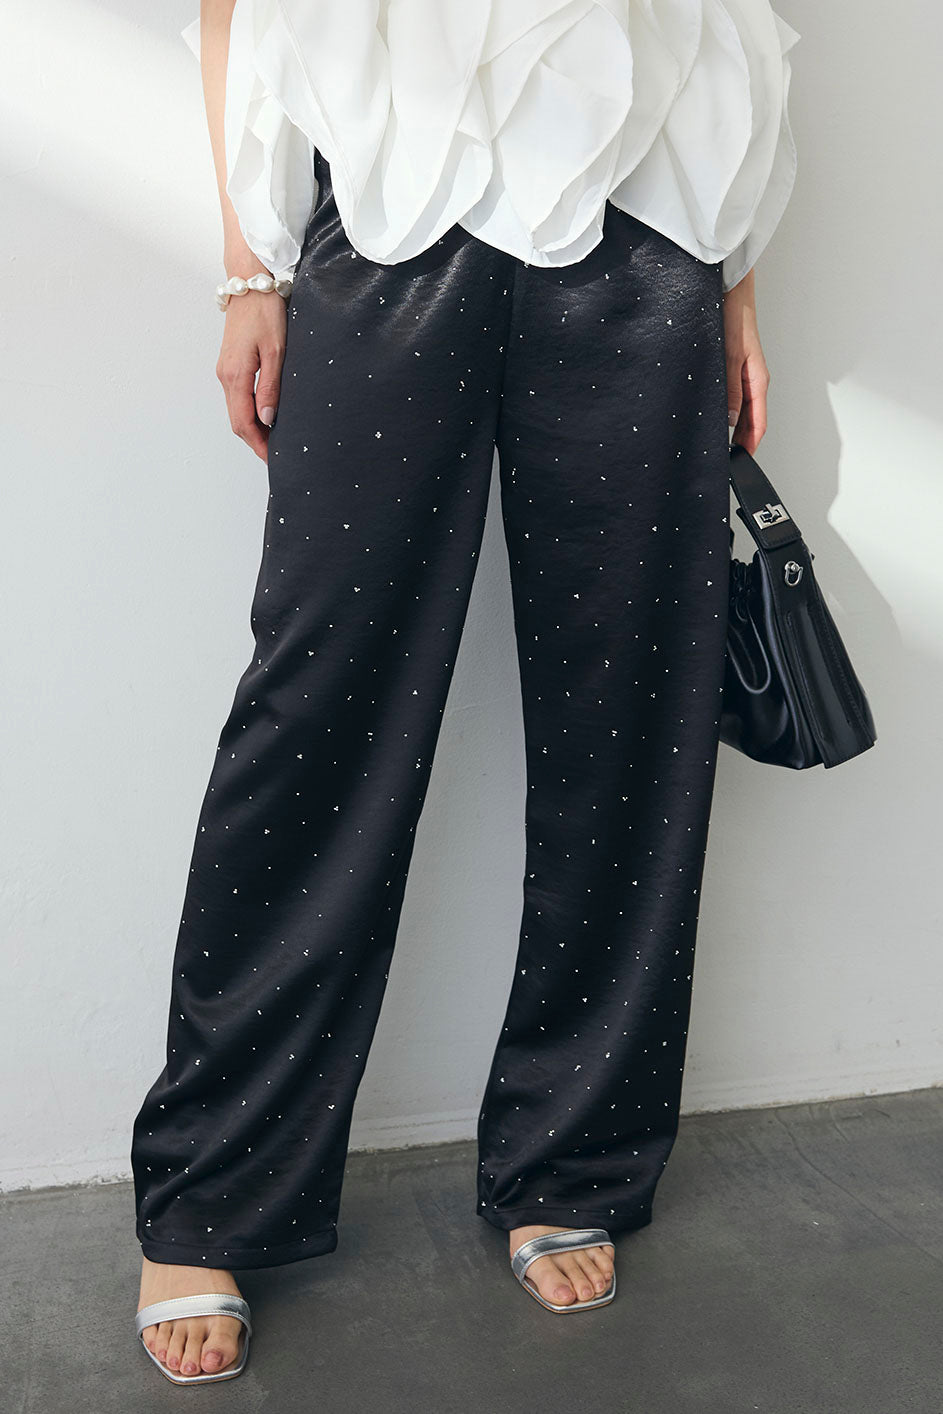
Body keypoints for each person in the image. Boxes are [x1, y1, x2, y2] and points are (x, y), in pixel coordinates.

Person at [132, 0, 799, 1383]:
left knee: (633, 714)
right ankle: (211, 1188)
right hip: (392, 205)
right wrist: (248, 268)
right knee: (317, 705)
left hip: (646, 219)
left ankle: (575, 1153)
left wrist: (736, 277)